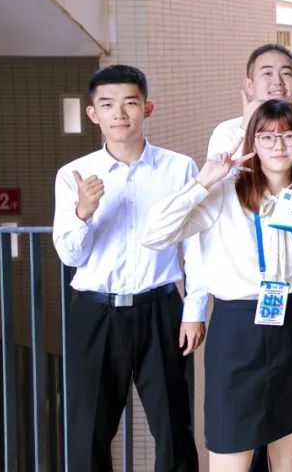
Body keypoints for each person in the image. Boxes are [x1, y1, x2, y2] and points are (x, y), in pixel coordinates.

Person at [144, 100, 292, 471]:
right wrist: (203, 181)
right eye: (267, 137)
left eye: (289, 136)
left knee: (291, 458)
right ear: (252, 142)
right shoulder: (224, 192)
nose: (279, 146)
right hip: (237, 332)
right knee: (230, 455)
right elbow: (154, 235)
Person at [52, 65, 206, 472]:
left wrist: (194, 310)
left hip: (161, 308)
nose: (119, 113)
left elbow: (195, 245)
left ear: (147, 108)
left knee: (174, 428)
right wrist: (83, 212)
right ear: (93, 114)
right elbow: (70, 256)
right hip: (95, 311)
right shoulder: (73, 175)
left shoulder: (179, 168)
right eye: (107, 104)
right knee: (89, 431)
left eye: (130, 103)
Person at [207, 43, 292, 190]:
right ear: (249, 85)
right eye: (267, 73)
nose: (278, 81)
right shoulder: (227, 130)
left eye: (286, 73)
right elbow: (218, 187)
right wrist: (245, 128)